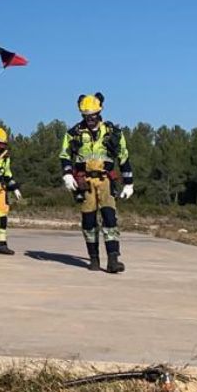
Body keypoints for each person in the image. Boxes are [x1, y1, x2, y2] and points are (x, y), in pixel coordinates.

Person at [60, 92, 134, 273]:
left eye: (92, 116)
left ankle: (113, 259)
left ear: (99, 113)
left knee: (109, 218)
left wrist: (129, 182)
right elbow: (64, 155)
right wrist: (68, 174)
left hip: (105, 180)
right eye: (86, 116)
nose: (90, 119)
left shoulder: (113, 133)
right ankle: (93, 259)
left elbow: (123, 157)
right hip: (84, 181)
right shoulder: (73, 134)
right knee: (89, 220)